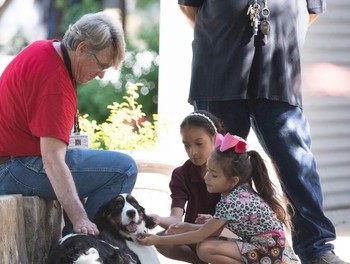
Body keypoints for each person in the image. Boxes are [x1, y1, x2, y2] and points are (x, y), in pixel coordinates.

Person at [178, 0, 347, 263]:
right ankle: (214, 245)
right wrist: (222, 34)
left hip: (277, 69)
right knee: (217, 164)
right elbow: (189, 7)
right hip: (218, 68)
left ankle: (317, 249)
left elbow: (311, 10)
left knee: (296, 162)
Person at [0, 11, 138, 236]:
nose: (101, 75)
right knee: (123, 169)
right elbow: (52, 160)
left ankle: (78, 244)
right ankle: (84, 242)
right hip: (8, 169)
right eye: (102, 65)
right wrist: (80, 218)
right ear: (81, 49)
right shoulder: (54, 81)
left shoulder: (46, 50)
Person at [138, 133, 299, 263]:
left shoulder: (232, 201)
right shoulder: (238, 192)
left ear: (233, 180)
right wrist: (187, 226)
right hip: (267, 248)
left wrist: (156, 241)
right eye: (208, 170)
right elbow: (215, 230)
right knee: (206, 245)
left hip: (270, 253)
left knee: (206, 248)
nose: (206, 177)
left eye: (214, 175)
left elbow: (201, 235)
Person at [149, 110, 223, 263]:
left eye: (199, 143)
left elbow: (240, 222)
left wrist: (214, 221)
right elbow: (175, 218)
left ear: (214, 138)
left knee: (206, 247)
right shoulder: (181, 174)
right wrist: (158, 219)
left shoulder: (230, 170)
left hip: (223, 234)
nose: (192, 152)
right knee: (163, 238)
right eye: (186, 145)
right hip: (193, 234)